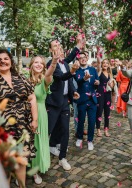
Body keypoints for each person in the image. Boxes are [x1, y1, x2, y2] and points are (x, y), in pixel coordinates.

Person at [0, 49, 38, 188]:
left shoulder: (21, 78)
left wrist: (34, 120)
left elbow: (32, 98)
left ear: (11, 61)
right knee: (5, 164)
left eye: (6, 58)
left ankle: (22, 185)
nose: (3, 61)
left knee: (21, 159)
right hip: (4, 130)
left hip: (24, 126)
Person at [46, 37, 82, 171]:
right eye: (55, 46)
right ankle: (42, 155)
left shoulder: (65, 63)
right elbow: (61, 77)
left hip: (65, 102)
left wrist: (73, 92)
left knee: (66, 130)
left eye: (59, 45)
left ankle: (62, 158)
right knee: (49, 130)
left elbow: (68, 81)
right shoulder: (51, 64)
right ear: (51, 50)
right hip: (53, 103)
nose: (58, 47)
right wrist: (72, 71)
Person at [28, 48, 62, 184]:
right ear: (31, 65)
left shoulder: (45, 80)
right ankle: (23, 169)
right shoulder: (25, 80)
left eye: (41, 63)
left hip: (40, 114)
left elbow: (49, 74)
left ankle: (35, 172)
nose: (38, 65)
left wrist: (53, 62)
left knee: (37, 142)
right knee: (26, 143)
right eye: (35, 62)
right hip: (25, 114)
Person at [74, 52, 100, 150]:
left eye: (84, 57)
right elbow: (78, 81)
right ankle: (80, 138)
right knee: (80, 120)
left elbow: (97, 82)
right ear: (78, 60)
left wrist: (98, 82)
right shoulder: (76, 71)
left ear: (87, 58)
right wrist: (84, 78)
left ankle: (90, 140)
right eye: (81, 58)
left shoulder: (93, 69)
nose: (83, 59)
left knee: (92, 121)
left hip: (92, 99)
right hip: (82, 99)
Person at [95, 58, 116, 137]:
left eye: (107, 63)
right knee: (99, 111)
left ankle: (106, 129)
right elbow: (96, 79)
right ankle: (98, 129)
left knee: (107, 113)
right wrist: (99, 69)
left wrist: (112, 86)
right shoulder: (99, 72)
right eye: (104, 63)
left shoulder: (110, 74)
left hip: (108, 94)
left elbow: (113, 87)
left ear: (109, 65)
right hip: (100, 93)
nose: (105, 64)